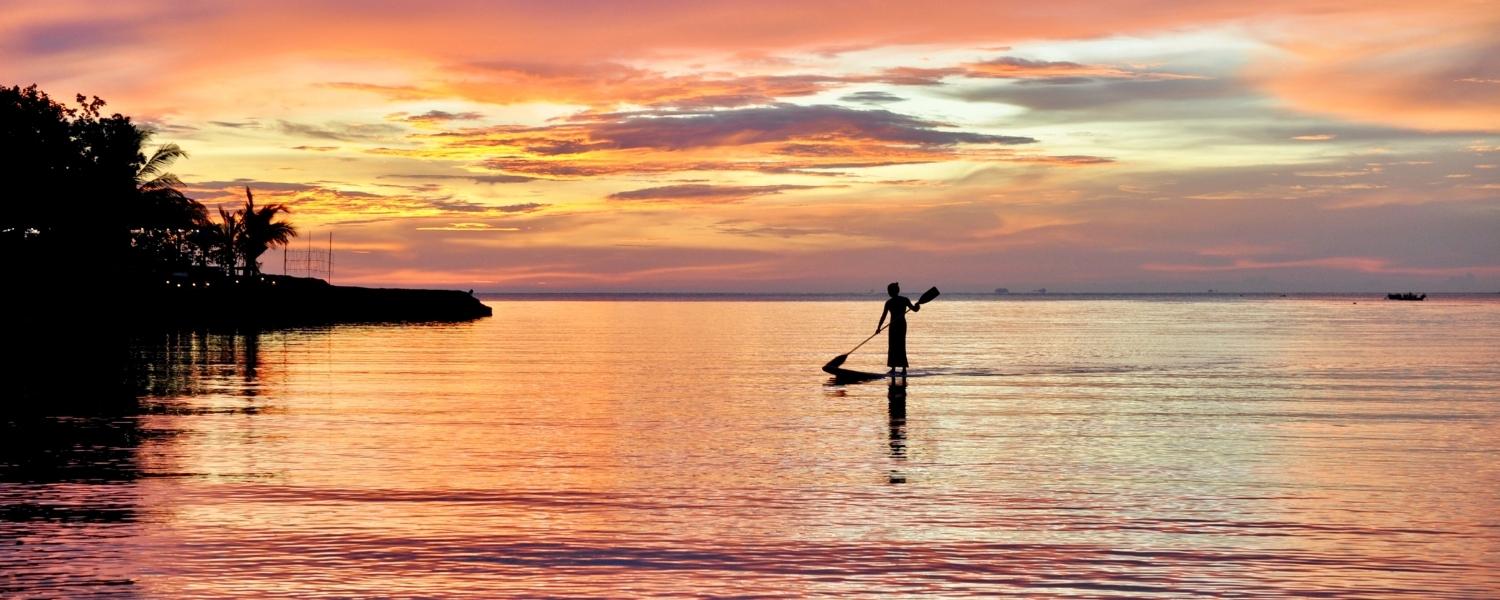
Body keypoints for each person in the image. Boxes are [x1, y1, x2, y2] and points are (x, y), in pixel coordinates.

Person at [877, 282, 918, 380]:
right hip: (895, 325)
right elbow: (915, 309)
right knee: (893, 346)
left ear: (894, 291)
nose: (889, 293)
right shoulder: (894, 301)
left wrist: (918, 306)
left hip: (899, 325)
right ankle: (895, 368)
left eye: (889, 291)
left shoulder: (897, 301)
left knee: (899, 345)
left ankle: (902, 369)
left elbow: (914, 309)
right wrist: (878, 327)